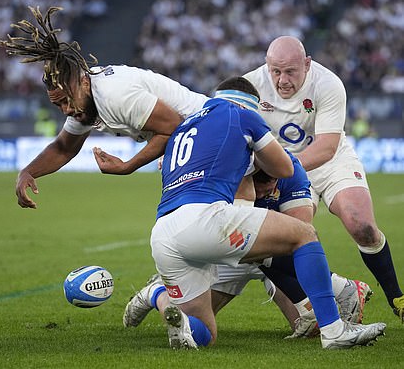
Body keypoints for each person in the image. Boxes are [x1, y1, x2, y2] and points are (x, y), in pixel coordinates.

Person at [147, 76, 385, 350]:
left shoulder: (185, 125)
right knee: (304, 234)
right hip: (204, 218)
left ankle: (176, 317)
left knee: (206, 333)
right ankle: (334, 330)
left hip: (163, 232)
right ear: (251, 105)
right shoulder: (242, 115)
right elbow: (285, 168)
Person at [124, 150, 373, 340]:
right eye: (263, 186)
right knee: (195, 326)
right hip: (225, 252)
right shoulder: (225, 172)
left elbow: (300, 238)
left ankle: (342, 288)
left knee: (310, 328)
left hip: (270, 260)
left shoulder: (291, 170)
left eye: (275, 184)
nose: (270, 191)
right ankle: (155, 293)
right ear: (247, 177)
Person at [243, 35, 404, 321]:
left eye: (290, 71)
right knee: (287, 242)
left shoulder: (328, 83)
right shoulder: (251, 85)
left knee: (362, 225)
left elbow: (327, 146)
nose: (281, 80)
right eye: (275, 71)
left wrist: (278, 169)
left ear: (307, 64)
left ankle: (397, 298)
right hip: (280, 169)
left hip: (326, 161)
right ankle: (332, 300)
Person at [0, 6, 208, 208]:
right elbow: (64, 148)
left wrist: (128, 166)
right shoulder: (83, 102)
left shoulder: (114, 94)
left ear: (84, 82)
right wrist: (27, 172)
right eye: (58, 104)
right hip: (197, 134)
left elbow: (173, 125)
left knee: (179, 231)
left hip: (208, 126)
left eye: (67, 100)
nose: (66, 110)